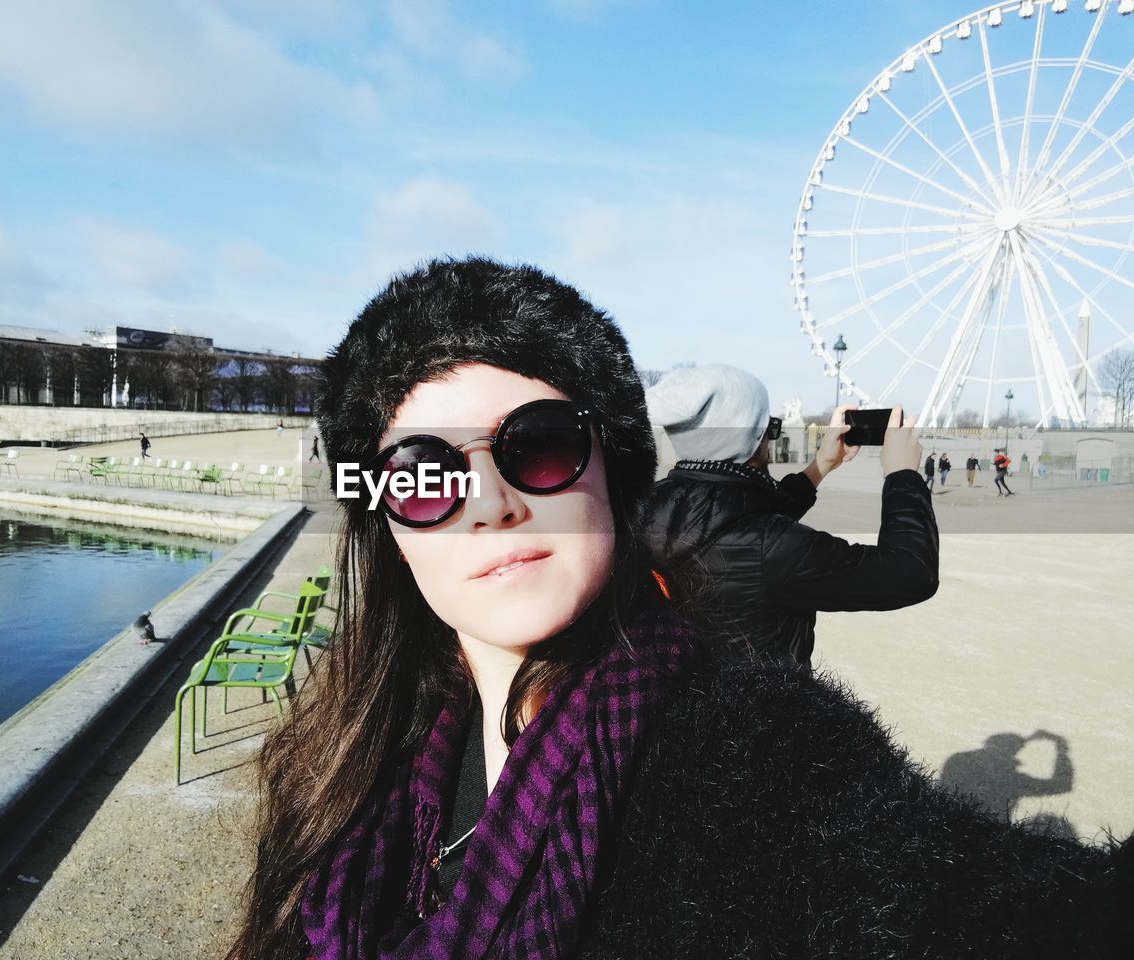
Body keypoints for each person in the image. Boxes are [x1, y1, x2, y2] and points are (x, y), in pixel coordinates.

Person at [226, 258, 1130, 960]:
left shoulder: (764, 757)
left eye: (539, 449)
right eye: (426, 473)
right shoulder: (353, 760)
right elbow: (867, 561)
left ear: (613, 481)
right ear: (382, 514)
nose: (491, 502)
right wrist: (893, 466)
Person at [641, 365, 938, 668]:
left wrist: (820, 466)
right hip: (766, 709)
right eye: (770, 427)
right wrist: (902, 475)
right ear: (753, 439)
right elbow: (911, 572)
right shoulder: (770, 547)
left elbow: (734, 521)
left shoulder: (650, 508)